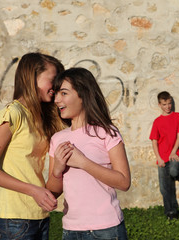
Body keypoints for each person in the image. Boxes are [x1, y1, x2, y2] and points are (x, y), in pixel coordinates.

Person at [0, 52, 65, 239]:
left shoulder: (43, 117)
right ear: (31, 77)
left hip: (39, 215)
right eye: (53, 79)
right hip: (13, 219)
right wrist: (34, 191)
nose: (57, 86)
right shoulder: (14, 113)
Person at [46, 67, 131, 240]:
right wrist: (57, 171)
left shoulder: (107, 132)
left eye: (63, 93)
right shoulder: (57, 139)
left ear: (83, 94)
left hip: (106, 229)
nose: (56, 100)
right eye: (56, 94)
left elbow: (124, 182)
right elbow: (53, 192)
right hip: (70, 231)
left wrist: (83, 163)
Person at [149, 91, 179, 220]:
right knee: (165, 188)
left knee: (174, 172)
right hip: (162, 158)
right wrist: (158, 158)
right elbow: (154, 141)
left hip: (176, 154)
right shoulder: (157, 122)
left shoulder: (178, 117)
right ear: (160, 104)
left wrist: (173, 151)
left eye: (170, 103)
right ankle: (170, 212)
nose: (168, 106)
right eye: (165, 104)